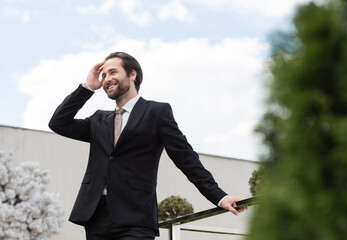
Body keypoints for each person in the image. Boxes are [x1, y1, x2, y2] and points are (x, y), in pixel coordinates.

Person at [49, 52, 247, 240]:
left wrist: (220, 197)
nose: (107, 78)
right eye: (103, 74)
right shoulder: (98, 120)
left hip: (135, 218)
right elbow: (58, 123)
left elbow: (186, 159)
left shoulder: (157, 112)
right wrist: (87, 87)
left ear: (132, 74)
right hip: (95, 216)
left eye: (113, 72)